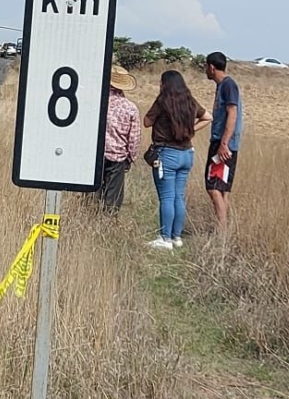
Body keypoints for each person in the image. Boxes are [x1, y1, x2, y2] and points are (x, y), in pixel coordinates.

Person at [142, 70, 213, 250]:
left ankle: (165, 238)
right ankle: (177, 237)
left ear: (165, 84)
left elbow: (146, 122)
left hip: (167, 153)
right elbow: (208, 117)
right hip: (187, 153)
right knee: (179, 196)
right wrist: (190, 130)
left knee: (167, 197)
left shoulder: (163, 101)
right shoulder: (189, 101)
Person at [203, 52, 242, 231]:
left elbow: (232, 113)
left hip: (223, 145)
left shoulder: (228, 85)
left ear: (211, 67)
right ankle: (223, 230)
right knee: (222, 188)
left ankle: (221, 230)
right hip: (223, 143)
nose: (205, 70)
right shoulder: (222, 86)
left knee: (213, 187)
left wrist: (224, 143)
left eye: (206, 66)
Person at [97, 65, 142, 212]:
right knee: (113, 198)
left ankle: (90, 217)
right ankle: (108, 220)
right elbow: (134, 138)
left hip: (95, 155)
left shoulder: (97, 102)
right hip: (118, 157)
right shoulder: (130, 108)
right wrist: (131, 158)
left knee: (93, 194)